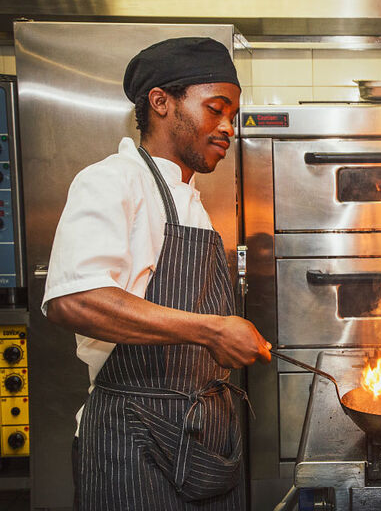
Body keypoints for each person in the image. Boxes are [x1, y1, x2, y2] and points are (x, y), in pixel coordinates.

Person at [42, 37, 271, 510]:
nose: (228, 127)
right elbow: (75, 300)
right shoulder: (112, 181)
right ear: (161, 102)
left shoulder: (192, 200)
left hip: (201, 438)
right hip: (132, 444)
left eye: (232, 115)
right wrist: (212, 330)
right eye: (216, 109)